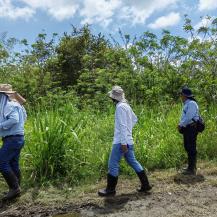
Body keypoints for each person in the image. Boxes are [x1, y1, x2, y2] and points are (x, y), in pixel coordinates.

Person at [98, 86, 152, 197]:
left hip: (121, 142)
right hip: (129, 140)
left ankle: (110, 190)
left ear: (114, 98)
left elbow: (122, 125)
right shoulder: (126, 106)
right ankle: (146, 185)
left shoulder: (120, 107)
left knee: (112, 164)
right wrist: (128, 133)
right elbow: (134, 119)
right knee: (133, 161)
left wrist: (123, 142)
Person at [0, 84, 27, 200]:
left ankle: (15, 188)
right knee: (12, 163)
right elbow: (24, 118)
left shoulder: (9, 105)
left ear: (3, 95)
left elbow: (14, 120)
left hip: (12, 139)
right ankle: (17, 188)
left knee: (1, 162)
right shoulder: (17, 105)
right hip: (18, 138)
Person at [178, 87, 199, 175]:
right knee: (188, 146)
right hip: (188, 128)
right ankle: (191, 167)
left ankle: (191, 169)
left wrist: (181, 124)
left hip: (191, 127)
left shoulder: (191, 103)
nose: (180, 96)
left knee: (191, 147)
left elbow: (189, 117)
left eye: (181, 94)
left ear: (184, 95)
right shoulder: (187, 103)